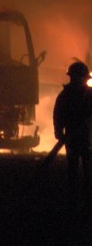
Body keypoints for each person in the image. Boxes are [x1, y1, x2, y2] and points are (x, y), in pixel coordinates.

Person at [53, 61, 92, 209]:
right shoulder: (67, 96)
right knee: (75, 169)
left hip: (84, 138)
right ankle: (75, 200)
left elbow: (58, 115)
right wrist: (59, 132)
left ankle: (85, 200)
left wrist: (59, 133)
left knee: (86, 170)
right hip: (76, 139)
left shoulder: (71, 95)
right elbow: (58, 115)